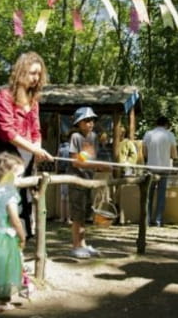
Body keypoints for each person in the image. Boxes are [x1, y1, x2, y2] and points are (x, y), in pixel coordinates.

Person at [0, 51, 53, 239]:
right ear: (21, 72)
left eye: (39, 74)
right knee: (4, 202)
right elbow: (7, 131)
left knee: (24, 201)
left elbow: (36, 131)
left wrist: (38, 150)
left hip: (27, 158)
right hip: (5, 156)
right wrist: (34, 148)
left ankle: (21, 250)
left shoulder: (34, 102)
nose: (36, 78)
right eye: (33, 73)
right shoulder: (4, 96)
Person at [68, 106, 111, 258]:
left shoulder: (93, 137)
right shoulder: (75, 137)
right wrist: (98, 165)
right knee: (77, 215)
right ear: (79, 123)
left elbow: (91, 158)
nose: (90, 123)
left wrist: (101, 167)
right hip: (76, 179)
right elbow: (75, 162)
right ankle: (75, 246)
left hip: (88, 179)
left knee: (85, 213)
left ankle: (83, 245)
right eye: (86, 121)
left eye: (92, 120)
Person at [0, 152, 26, 312]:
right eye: (18, 176)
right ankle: (0, 301)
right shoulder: (9, 194)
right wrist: (22, 235)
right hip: (4, 237)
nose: (19, 180)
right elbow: (15, 219)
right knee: (4, 269)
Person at [143, 116, 178, 227]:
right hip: (165, 168)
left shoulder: (148, 134)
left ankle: (146, 219)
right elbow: (174, 154)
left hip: (151, 167)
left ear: (156, 123)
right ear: (166, 125)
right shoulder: (170, 135)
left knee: (149, 195)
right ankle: (158, 220)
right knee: (161, 195)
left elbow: (144, 152)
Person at [57, 132, 71, 224]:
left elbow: (57, 162)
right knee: (69, 197)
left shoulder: (60, 149)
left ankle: (62, 217)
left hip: (62, 173)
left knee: (63, 197)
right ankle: (69, 218)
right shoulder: (71, 149)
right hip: (70, 173)